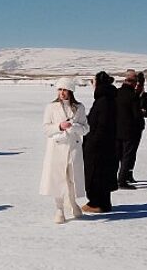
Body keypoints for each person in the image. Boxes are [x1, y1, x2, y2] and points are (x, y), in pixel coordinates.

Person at [40, 77, 89, 224]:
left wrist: (73, 126)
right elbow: (46, 129)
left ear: (71, 91)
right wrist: (59, 127)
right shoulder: (51, 107)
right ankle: (59, 209)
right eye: (60, 89)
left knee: (72, 178)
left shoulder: (79, 108)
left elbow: (86, 128)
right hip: (57, 147)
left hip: (73, 148)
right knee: (58, 179)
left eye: (65, 90)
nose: (62, 93)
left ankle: (72, 203)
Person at [82, 71, 118, 213]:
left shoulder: (103, 100)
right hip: (107, 143)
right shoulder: (109, 98)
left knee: (95, 173)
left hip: (99, 145)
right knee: (103, 173)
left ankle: (97, 203)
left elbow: (101, 124)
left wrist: (92, 141)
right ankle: (103, 202)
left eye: (93, 82)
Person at [115, 69, 147, 188]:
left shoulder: (116, 93)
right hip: (131, 130)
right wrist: (141, 113)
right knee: (127, 156)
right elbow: (137, 114)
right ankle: (122, 180)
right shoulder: (133, 96)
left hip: (117, 129)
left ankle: (120, 178)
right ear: (134, 82)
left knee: (119, 155)